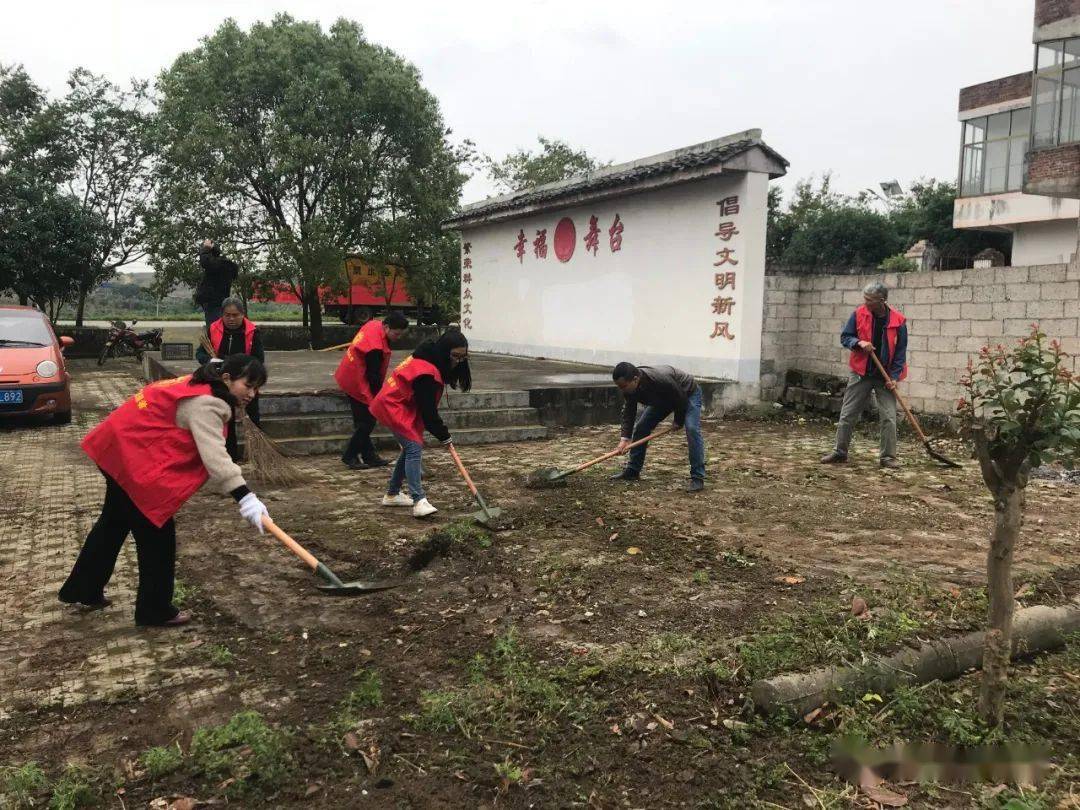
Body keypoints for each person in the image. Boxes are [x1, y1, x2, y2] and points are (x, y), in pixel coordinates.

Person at [58, 356, 272, 627]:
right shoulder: (207, 404)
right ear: (227, 378)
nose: (252, 394)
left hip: (116, 448)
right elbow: (215, 457)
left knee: (113, 523)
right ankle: (154, 609)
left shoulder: (201, 381)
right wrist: (246, 498)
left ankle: (83, 590)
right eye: (248, 385)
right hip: (131, 459)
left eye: (257, 388)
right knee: (157, 537)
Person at [369, 330, 471, 518]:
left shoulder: (431, 359)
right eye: (455, 356)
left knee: (409, 448)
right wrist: (444, 435)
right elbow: (428, 412)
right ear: (444, 351)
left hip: (402, 404)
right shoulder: (425, 370)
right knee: (414, 447)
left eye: (462, 357)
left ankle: (392, 494)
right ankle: (419, 501)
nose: (458, 361)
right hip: (392, 404)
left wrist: (441, 433)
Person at [820, 281, 908, 469]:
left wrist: (893, 377)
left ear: (881, 301)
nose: (865, 302)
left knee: (889, 417)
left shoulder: (898, 321)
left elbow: (900, 352)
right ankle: (840, 452)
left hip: (884, 376)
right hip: (861, 373)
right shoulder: (859, 314)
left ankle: (888, 457)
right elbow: (845, 337)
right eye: (865, 298)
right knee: (848, 413)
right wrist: (859, 343)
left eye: (869, 300)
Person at [609, 362, 707, 492]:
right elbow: (629, 411)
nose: (622, 390)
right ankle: (632, 471)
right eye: (619, 387)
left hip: (687, 393)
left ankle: (697, 478)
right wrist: (625, 438)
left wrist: (678, 420)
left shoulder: (659, 379)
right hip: (663, 399)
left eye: (623, 386)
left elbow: (680, 397)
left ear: (635, 379)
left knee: (692, 429)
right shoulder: (629, 388)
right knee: (642, 427)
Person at [334, 312, 410, 470]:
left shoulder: (374, 324)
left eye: (401, 334)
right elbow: (372, 377)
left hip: (350, 373)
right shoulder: (375, 347)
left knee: (363, 421)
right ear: (387, 327)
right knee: (367, 422)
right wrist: (378, 397)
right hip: (356, 381)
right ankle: (349, 456)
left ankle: (369, 456)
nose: (398, 337)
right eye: (396, 334)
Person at [195, 296, 265, 462]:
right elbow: (200, 353)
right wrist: (211, 361)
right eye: (228, 315)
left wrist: (243, 368)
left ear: (243, 314)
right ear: (222, 315)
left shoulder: (252, 332)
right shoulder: (212, 329)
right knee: (227, 419)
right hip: (222, 383)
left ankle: (257, 454)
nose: (231, 319)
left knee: (253, 417)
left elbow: (258, 359)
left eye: (235, 315)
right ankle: (230, 457)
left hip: (245, 382)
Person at [194, 239, 239, 326]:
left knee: (214, 328)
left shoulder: (217, 266)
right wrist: (213, 249)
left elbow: (205, 262)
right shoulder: (229, 267)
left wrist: (206, 248)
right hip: (222, 300)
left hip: (212, 301)